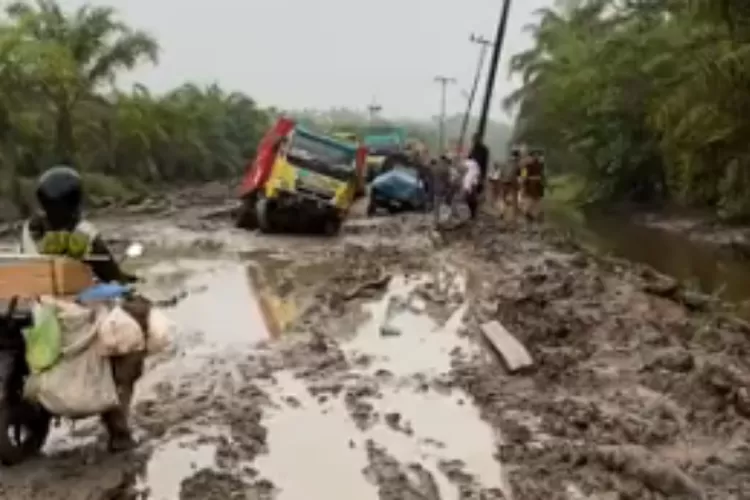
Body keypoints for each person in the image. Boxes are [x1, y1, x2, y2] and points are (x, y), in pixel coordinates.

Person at [19, 165, 141, 452]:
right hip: (73, 309)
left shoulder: (29, 229)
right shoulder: (85, 232)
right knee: (120, 344)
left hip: (34, 303)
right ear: (76, 199)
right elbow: (110, 271)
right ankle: (118, 430)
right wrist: (124, 279)